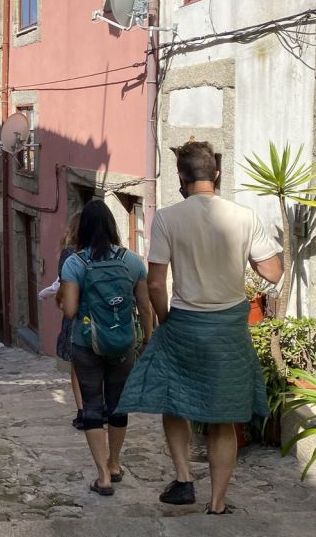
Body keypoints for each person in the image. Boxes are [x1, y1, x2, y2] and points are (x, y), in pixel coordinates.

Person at [116, 140, 282, 515]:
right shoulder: (244, 216)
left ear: (182, 178)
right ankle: (218, 503)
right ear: (216, 173)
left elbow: (156, 283)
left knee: (173, 401)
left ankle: (184, 477)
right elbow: (271, 271)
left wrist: (163, 321)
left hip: (185, 324)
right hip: (229, 327)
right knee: (223, 417)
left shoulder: (168, 219)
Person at [59, 200, 154, 496]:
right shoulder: (132, 261)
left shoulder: (75, 263)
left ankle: (102, 476)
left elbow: (71, 310)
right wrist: (148, 336)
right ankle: (114, 462)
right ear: (113, 227)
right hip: (123, 343)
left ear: (83, 229)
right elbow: (144, 305)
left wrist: (62, 298)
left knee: (91, 406)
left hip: (86, 344)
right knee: (117, 405)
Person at [38, 212, 85, 429]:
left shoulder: (70, 254)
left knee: (77, 367)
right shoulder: (107, 252)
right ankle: (100, 406)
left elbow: (63, 285)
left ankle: (83, 410)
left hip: (76, 315)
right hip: (102, 316)